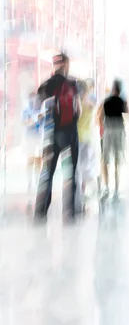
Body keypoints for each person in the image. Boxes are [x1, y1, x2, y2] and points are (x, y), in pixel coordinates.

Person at [35, 52, 81, 221]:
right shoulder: (73, 83)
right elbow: (79, 109)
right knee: (71, 174)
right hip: (70, 134)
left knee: (48, 173)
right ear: (66, 65)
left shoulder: (47, 84)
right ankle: (71, 212)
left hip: (53, 134)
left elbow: (39, 104)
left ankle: (41, 212)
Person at [98, 80, 128, 200]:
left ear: (112, 88)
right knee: (117, 160)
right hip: (119, 131)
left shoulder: (106, 100)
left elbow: (100, 116)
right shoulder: (122, 101)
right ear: (120, 90)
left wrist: (102, 130)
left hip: (108, 131)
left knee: (105, 160)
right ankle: (116, 189)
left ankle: (106, 186)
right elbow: (127, 115)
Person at [76, 81, 100, 203]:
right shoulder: (91, 103)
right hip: (88, 138)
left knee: (79, 166)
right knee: (85, 165)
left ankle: (82, 190)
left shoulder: (78, 104)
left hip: (78, 137)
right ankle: (86, 188)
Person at [22, 91, 42, 195]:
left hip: (38, 138)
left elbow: (43, 122)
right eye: (32, 98)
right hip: (30, 138)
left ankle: (37, 179)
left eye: (35, 98)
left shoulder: (40, 110)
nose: (34, 100)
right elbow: (25, 122)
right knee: (30, 159)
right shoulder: (26, 110)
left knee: (38, 159)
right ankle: (30, 181)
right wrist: (34, 120)